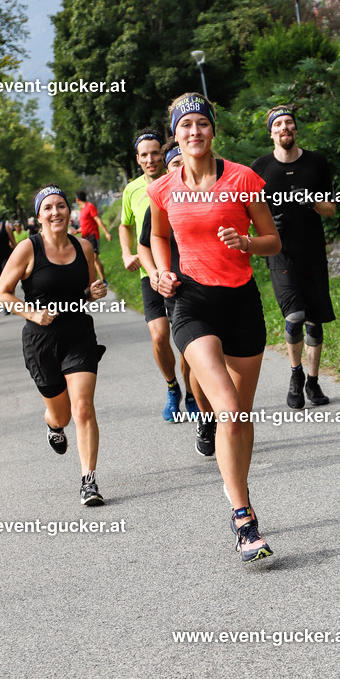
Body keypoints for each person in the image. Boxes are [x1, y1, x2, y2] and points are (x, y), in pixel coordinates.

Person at [149, 92, 281, 562]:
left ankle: (237, 491)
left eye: (202, 124)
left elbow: (272, 240)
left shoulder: (244, 179)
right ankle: (244, 518)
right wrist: (160, 271)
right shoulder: (164, 187)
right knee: (227, 407)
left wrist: (245, 240)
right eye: (185, 126)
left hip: (241, 303)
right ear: (176, 134)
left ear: (212, 129)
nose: (194, 132)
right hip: (191, 303)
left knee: (241, 417)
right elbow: (159, 236)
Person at [0, 184, 108, 506]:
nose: (55, 212)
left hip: (79, 336)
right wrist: (31, 312)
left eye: (60, 206)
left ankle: (89, 480)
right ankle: (52, 423)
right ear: (39, 216)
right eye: (48, 207)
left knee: (83, 407)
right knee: (63, 415)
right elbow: (1, 292)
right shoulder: (27, 249)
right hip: (41, 341)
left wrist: (93, 293)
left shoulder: (83, 246)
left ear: (68, 211)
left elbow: (83, 290)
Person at [252, 105, 336, 409]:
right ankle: (295, 374)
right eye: (278, 124)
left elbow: (331, 208)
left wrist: (312, 202)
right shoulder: (259, 168)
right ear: (271, 132)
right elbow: (247, 214)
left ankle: (313, 382)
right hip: (280, 254)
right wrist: (265, 225)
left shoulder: (316, 163)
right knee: (294, 317)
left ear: (295, 130)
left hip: (313, 252)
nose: (284, 128)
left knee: (314, 320)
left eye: (289, 123)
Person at [137, 139, 211, 451]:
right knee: (194, 356)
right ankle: (201, 414)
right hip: (176, 288)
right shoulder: (161, 201)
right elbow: (145, 241)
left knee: (212, 360)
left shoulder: (213, 193)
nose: (182, 170)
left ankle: (205, 405)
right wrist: (156, 273)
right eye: (175, 165)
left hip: (215, 284)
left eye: (185, 163)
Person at [119, 129, 190, 422]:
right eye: (144, 155)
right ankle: (173, 387)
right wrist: (126, 254)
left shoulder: (179, 179)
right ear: (137, 159)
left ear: (164, 154)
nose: (151, 159)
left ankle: (194, 393)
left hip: (182, 270)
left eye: (155, 153)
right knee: (160, 336)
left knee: (186, 338)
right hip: (150, 273)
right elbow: (125, 225)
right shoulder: (133, 190)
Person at [76, 190, 111, 286]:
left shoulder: (90, 206)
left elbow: (98, 220)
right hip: (85, 238)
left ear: (77, 199)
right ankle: (93, 282)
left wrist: (107, 233)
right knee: (88, 260)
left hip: (93, 235)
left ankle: (103, 280)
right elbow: (84, 226)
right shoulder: (81, 210)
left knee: (95, 258)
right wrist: (77, 231)